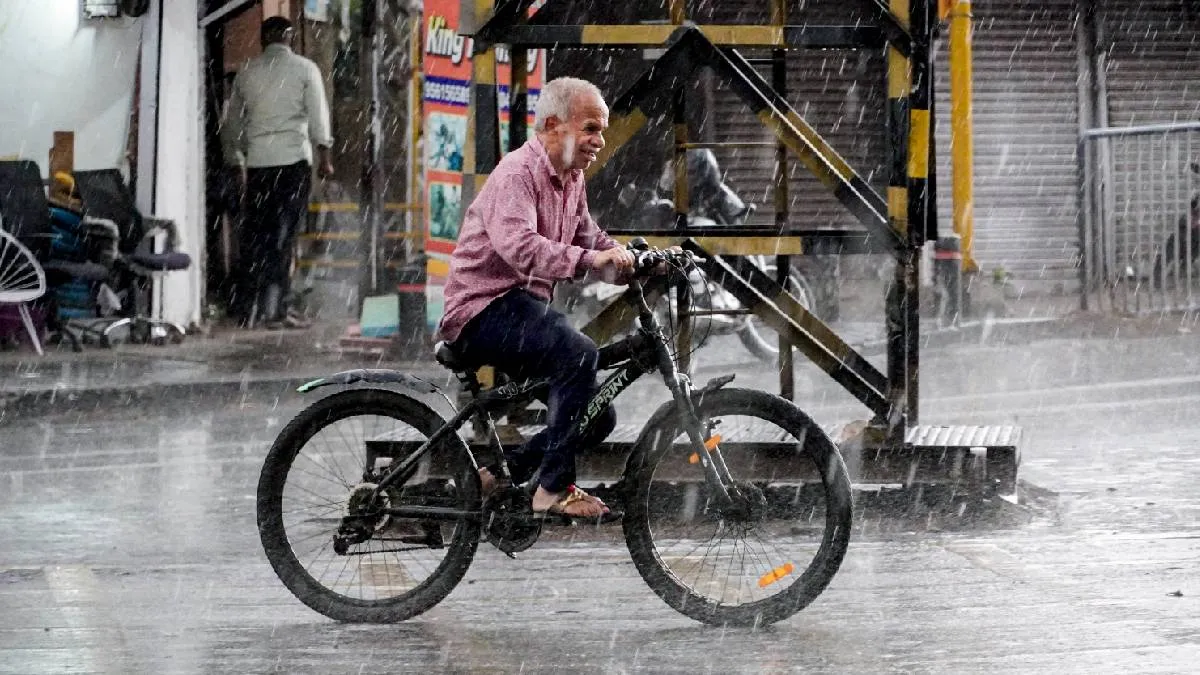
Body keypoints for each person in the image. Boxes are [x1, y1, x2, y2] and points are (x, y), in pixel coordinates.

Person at [438, 77, 636, 521]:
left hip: (522, 310)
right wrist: (592, 259)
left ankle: (496, 476)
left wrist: (630, 257)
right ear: (552, 125)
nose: (599, 141)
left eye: (601, 131)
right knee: (578, 353)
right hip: (483, 310)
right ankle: (552, 489)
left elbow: (590, 236)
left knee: (596, 415)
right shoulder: (517, 174)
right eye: (590, 129)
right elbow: (521, 247)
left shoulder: (571, 179)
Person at [221, 16, 334, 329]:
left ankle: (249, 308)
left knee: (257, 235)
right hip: (293, 163)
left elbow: (232, 126)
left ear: (262, 39)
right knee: (286, 236)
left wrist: (236, 159)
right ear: (288, 36)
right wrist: (325, 155)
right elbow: (318, 115)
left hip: (259, 166)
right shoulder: (304, 69)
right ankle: (278, 309)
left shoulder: (246, 72)